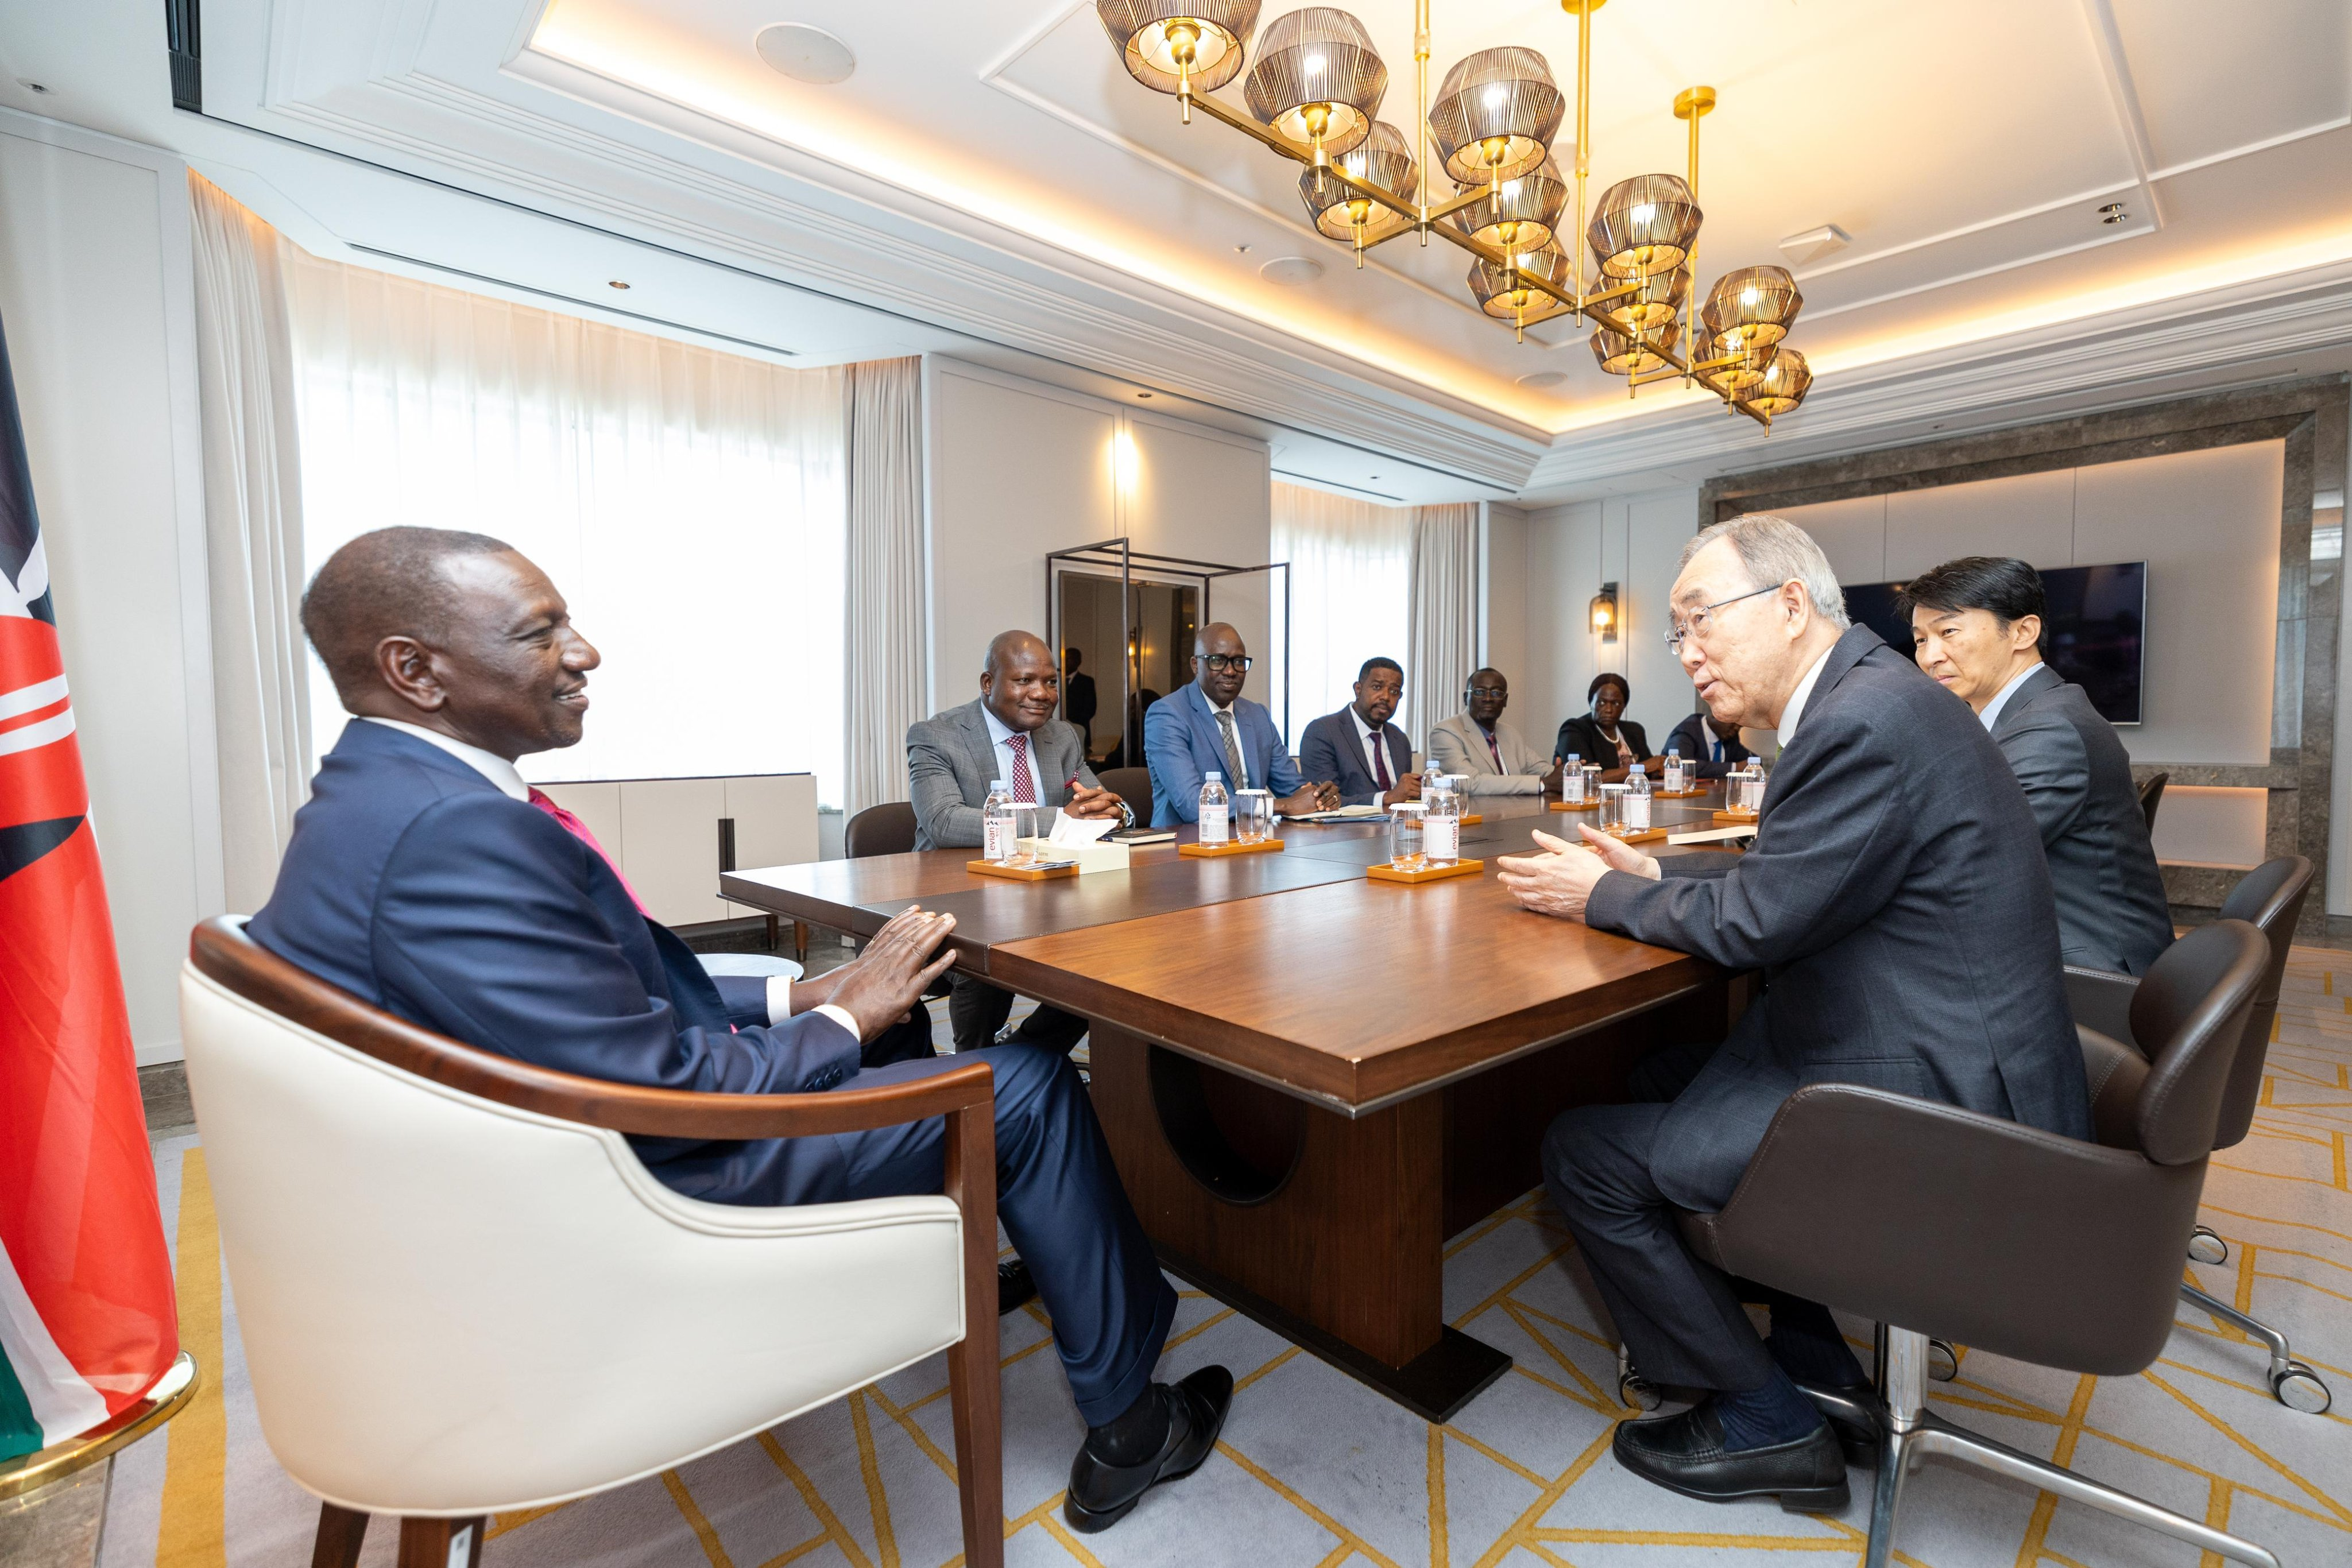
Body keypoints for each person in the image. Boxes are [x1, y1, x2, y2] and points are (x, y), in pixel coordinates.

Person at [252, 528, 1229, 1534]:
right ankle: (1130, 1423)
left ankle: (988, 1239)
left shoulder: (377, 796)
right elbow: (669, 1093)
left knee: (898, 1036)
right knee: (1025, 1082)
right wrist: (846, 1009)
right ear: (414, 670)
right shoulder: (455, 830)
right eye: (542, 632)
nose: (584, 652)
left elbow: (589, 998)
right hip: (653, 1182)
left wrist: (805, 1000)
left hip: (560, 1144)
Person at [1495, 515, 2088, 1513]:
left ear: (1788, 605)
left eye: (1696, 625)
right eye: (1676, 635)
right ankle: (1820, 1363)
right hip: (1937, 1040)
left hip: (1930, 1098)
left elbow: (1763, 916)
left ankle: (1766, 1417)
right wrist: (1658, 870)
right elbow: (1810, 875)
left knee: (1583, 1152)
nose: (1682, 655)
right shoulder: (1876, 696)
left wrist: (1598, 898)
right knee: (1658, 1075)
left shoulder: (1862, 719)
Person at [1904, 555, 2173, 976]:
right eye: (1920, 639)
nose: (1930, 656)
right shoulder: (2027, 714)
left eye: (1948, 632)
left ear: (2023, 631)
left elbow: (1964, 860)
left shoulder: (2051, 728)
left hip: (2089, 977)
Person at [908, 630, 1132, 1054]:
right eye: (1025, 680)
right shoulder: (937, 735)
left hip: (1048, 891)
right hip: (960, 896)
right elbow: (943, 821)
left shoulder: (1062, 737)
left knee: (1109, 955)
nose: (1042, 694)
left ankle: (1024, 1055)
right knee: (990, 954)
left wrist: (1117, 812)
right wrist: (1058, 818)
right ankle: (974, 1068)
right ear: (988, 683)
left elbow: (1096, 803)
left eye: (1050, 682)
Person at [1144, 622, 1337, 826]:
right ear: (1195, 665)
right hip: (1185, 846)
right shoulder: (1168, 714)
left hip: (1255, 840)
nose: (1230, 671)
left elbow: (1294, 790)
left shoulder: (1258, 715)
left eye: (1238, 661)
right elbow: (1193, 805)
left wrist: (1321, 797)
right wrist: (1280, 806)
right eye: (1217, 661)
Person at [1297, 657, 1419, 808]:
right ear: (1358, 690)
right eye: (1377, 687)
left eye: (1394, 691)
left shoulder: (1400, 739)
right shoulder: (1323, 732)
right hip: (1346, 830)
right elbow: (1322, 801)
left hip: (1399, 829)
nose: (1386, 697)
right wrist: (1386, 798)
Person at [1426, 668, 1561, 796]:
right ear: (1466, 697)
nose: (1488, 699)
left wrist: (1567, 772)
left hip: (1517, 814)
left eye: (1496, 693)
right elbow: (1469, 783)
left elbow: (1546, 772)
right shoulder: (1446, 731)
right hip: (1473, 817)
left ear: (1505, 701)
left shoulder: (1510, 733)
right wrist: (1541, 784)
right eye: (1479, 692)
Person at [1554, 673, 1657, 782]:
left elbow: (1652, 770)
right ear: (1591, 703)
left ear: (1624, 706)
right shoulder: (1574, 730)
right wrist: (1643, 767)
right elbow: (1589, 778)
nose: (1609, 710)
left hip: (1634, 797)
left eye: (1616, 703)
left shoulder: (1634, 731)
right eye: (1602, 703)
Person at [1662, 709, 1756, 779]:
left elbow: (1750, 760)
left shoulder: (1730, 737)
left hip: (1715, 795)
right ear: (1716, 715)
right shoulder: (1687, 731)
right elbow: (1682, 764)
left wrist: (1753, 765)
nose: (1736, 729)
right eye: (1734, 723)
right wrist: (1733, 767)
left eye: (1740, 726)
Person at [1063, 646, 1098, 754]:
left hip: (1080, 729)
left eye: (1069, 659)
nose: (1066, 662)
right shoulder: (1056, 680)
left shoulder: (1086, 681)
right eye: (1065, 659)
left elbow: (1091, 708)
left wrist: (1074, 722)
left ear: (1078, 661)